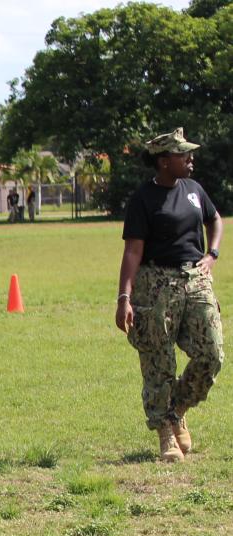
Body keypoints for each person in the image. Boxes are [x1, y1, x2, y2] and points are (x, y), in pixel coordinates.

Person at [115, 127, 224, 462]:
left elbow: (214, 218)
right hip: (156, 283)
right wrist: (124, 298)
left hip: (195, 278)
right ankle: (165, 432)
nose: (190, 159)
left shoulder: (194, 189)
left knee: (212, 354)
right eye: (183, 154)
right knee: (158, 360)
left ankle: (176, 408)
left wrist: (212, 254)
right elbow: (133, 251)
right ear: (164, 161)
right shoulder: (143, 199)